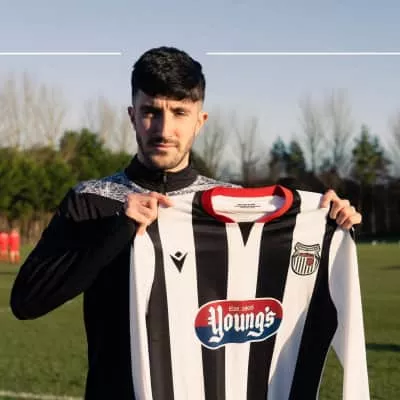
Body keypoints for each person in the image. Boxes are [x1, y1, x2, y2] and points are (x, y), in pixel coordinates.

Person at [10, 46, 362, 399]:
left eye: (179, 112)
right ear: (132, 115)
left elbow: (289, 286)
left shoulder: (233, 205)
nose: (164, 129)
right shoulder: (92, 200)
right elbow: (27, 301)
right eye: (151, 111)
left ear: (200, 120)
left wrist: (330, 225)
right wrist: (118, 227)